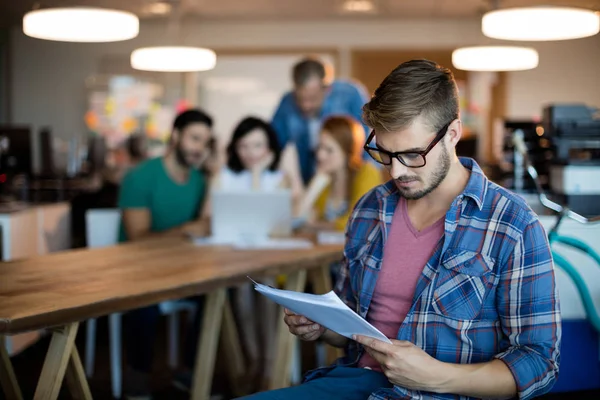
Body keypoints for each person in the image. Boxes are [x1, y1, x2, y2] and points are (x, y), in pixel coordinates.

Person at [240, 60, 560, 400]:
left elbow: (540, 363)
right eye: (385, 153)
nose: (395, 172)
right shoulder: (369, 210)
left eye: (411, 154)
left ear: (452, 134)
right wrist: (323, 327)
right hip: (355, 383)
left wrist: (438, 377)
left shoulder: (512, 223)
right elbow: (352, 325)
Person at [118, 109, 213, 398]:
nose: (200, 148)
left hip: (183, 270)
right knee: (141, 298)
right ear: (175, 136)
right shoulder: (140, 177)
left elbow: (206, 226)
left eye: (205, 142)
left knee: (219, 292)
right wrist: (187, 229)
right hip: (137, 269)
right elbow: (139, 239)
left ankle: (190, 371)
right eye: (194, 138)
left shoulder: (200, 181)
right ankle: (137, 373)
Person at [272, 57, 369, 184]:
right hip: (311, 178)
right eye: (300, 99)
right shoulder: (287, 102)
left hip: (349, 179)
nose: (306, 106)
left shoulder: (350, 95)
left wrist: (364, 177)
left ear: (327, 89)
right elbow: (274, 143)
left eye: (312, 98)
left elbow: (369, 139)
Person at [296, 115, 382, 232]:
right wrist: (316, 184)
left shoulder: (367, 173)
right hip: (328, 249)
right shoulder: (324, 180)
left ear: (347, 152)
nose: (320, 155)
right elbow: (297, 219)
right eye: (319, 147)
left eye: (329, 150)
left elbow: (360, 221)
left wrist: (316, 226)